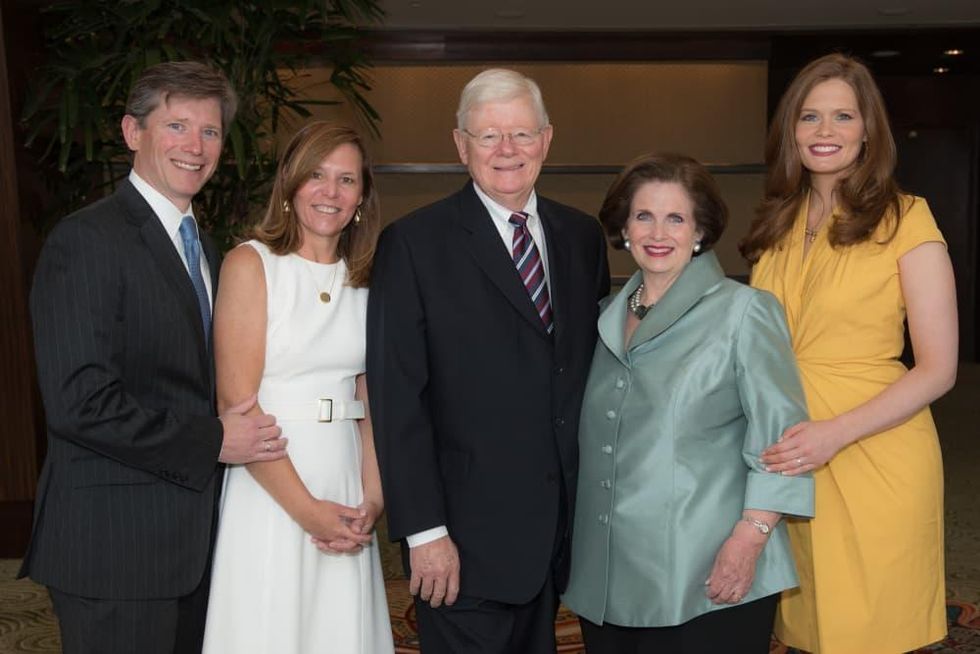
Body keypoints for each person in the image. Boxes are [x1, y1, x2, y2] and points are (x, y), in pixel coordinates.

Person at [20, 61, 285, 654]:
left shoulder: (208, 249)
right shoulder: (86, 240)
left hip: (195, 547)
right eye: (177, 126)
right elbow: (79, 403)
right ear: (132, 132)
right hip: (115, 550)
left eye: (210, 131)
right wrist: (213, 440)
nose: (196, 146)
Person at [366, 68, 610, 653]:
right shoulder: (414, 243)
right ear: (461, 145)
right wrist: (424, 532)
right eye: (489, 136)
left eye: (522, 134)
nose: (507, 150)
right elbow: (398, 398)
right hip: (461, 542)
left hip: (560, 536)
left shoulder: (582, 237)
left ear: (546, 140)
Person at [744, 53, 958, 653]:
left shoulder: (907, 218)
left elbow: (939, 368)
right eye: (809, 116)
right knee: (810, 629)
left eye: (843, 116)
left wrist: (834, 434)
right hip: (792, 452)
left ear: (869, 131)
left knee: (874, 630)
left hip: (873, 446)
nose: (825, 130)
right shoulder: (777, 222)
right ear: (791, 130)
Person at [562, 153, 814, 653]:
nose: (658, 233)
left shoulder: (744, 313)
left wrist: (749, 540)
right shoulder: (604, 315)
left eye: (676, 218)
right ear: (624, 228)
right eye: (644, 216)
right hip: (605, 577)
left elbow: (783, 443)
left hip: (707, 573)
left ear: (700, 230)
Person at [201, 122, 393, 653]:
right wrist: (307, 510)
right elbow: (237, 405)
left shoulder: (367, 278)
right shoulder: (251, 264)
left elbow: (370, 400)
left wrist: (372, 499)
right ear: (290, 182)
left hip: (345, 481)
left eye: (346, 180)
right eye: (316, 175)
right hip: (271, 484)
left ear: (362, 196)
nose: (331, 192)